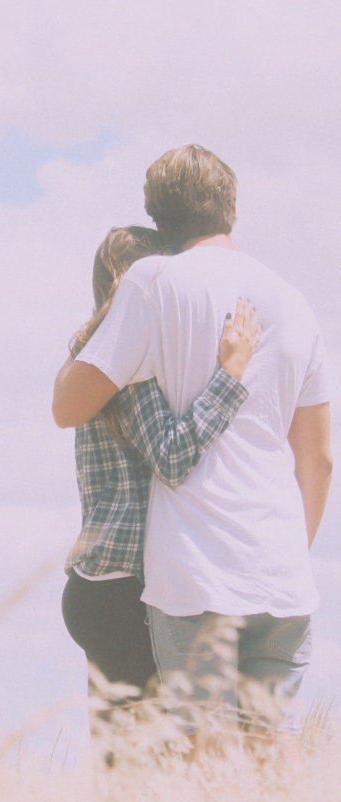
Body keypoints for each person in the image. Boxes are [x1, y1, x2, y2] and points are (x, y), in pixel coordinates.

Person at [53, 145, 333, 760]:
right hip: (279, 570)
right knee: (273, 759)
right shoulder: (295, 301)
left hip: (192, 573)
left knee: (187, 765)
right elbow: (319, 460)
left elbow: (69, 407)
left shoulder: (153, 286)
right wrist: (287, 549)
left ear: (157, 218)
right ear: (233, 206)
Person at [59, 225, 259, 719]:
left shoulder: (92, 359)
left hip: (98, 583)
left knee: (121, 765)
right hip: (129, 588)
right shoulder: (132, 362)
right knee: (154, 764)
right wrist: (230, 377)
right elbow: (171, 456)